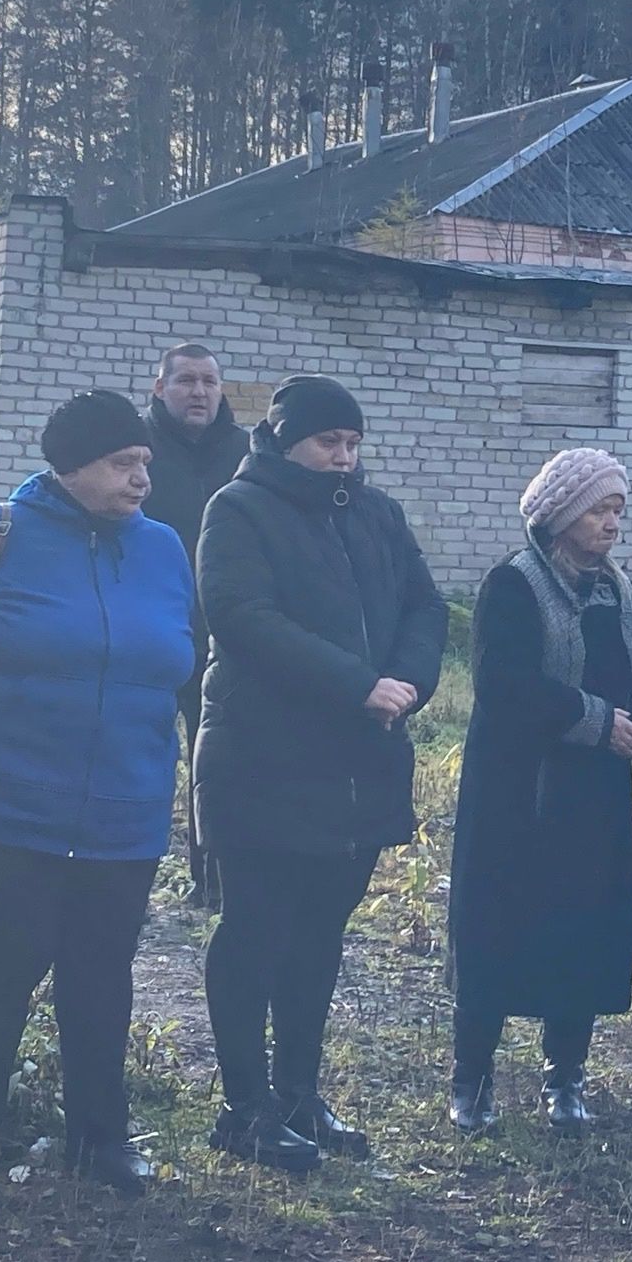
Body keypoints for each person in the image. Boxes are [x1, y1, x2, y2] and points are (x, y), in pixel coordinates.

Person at [0, 391, 196, 1214]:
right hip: (3, 807)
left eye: (145, 462)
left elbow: (184, 655)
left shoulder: (165, 549)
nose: (142, 477)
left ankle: (100, 1141)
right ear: (69, 467)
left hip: (125, 809)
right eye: (121, 463)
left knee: (102, 980)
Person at [194, 376, 447, 1169]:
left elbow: (425, 607)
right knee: (255, 933)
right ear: (284, 440)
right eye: (327, 443)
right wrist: (355, 683)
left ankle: (299, 1095)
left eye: (352, 443)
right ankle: (244, 1109)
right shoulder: (236, 510)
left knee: (319, 938)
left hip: (358, 760)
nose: (343, 458)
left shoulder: (376, 513)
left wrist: (404, 684)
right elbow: (241, 616)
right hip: (261, 758)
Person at [449, 451, 632, 1136]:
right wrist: (602, 723)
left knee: (583, 927)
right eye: (598, 510)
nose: (610, 525)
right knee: (498, 927)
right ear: (558, 515)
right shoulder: (511, 585)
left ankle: (565, 1075)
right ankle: (473, 1080)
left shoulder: (619, 591)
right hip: (516, 791)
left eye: (617, 512)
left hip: (592, 796)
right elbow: (504, 687)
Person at [142, 343, 251, 911]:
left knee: (217, 765)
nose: (199, 393)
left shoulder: (246, 453)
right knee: (146, 755)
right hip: (151, 634)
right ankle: (131, 867)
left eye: (209, 381)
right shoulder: (137, 452)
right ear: (159, 388)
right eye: (185, 381)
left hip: (225, 638)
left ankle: (211, 882)